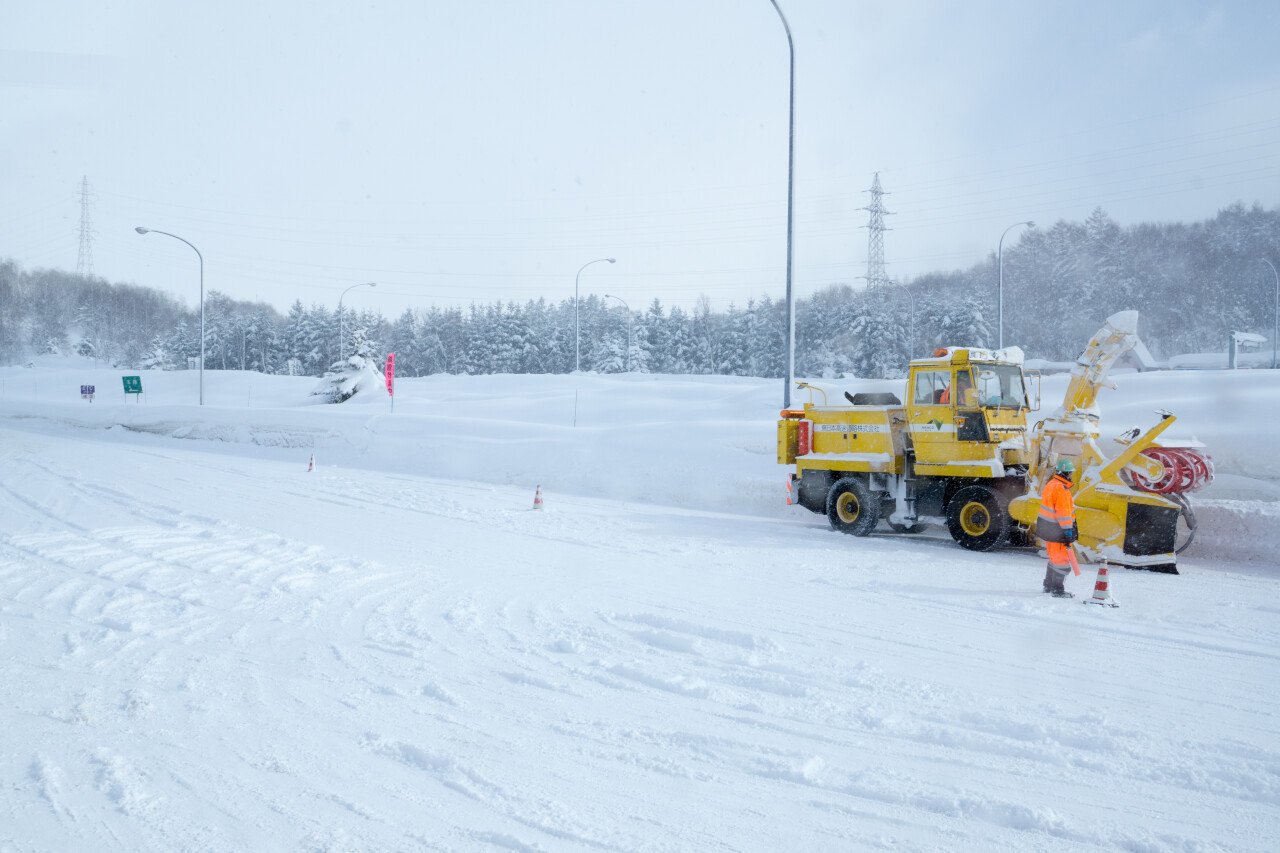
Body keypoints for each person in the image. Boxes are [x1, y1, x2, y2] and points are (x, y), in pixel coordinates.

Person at [1036, 458, 1078, 597]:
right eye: (1070, 473)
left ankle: (1048, 585)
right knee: (1061, 560)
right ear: (1066, 473)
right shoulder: (1062, 489)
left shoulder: (1051, 484)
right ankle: (1057, 590)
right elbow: (1064, 513)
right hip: (1057, 531)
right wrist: (1067, 531)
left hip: (1049, 530)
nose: (1071, 475)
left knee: (1054, 558)